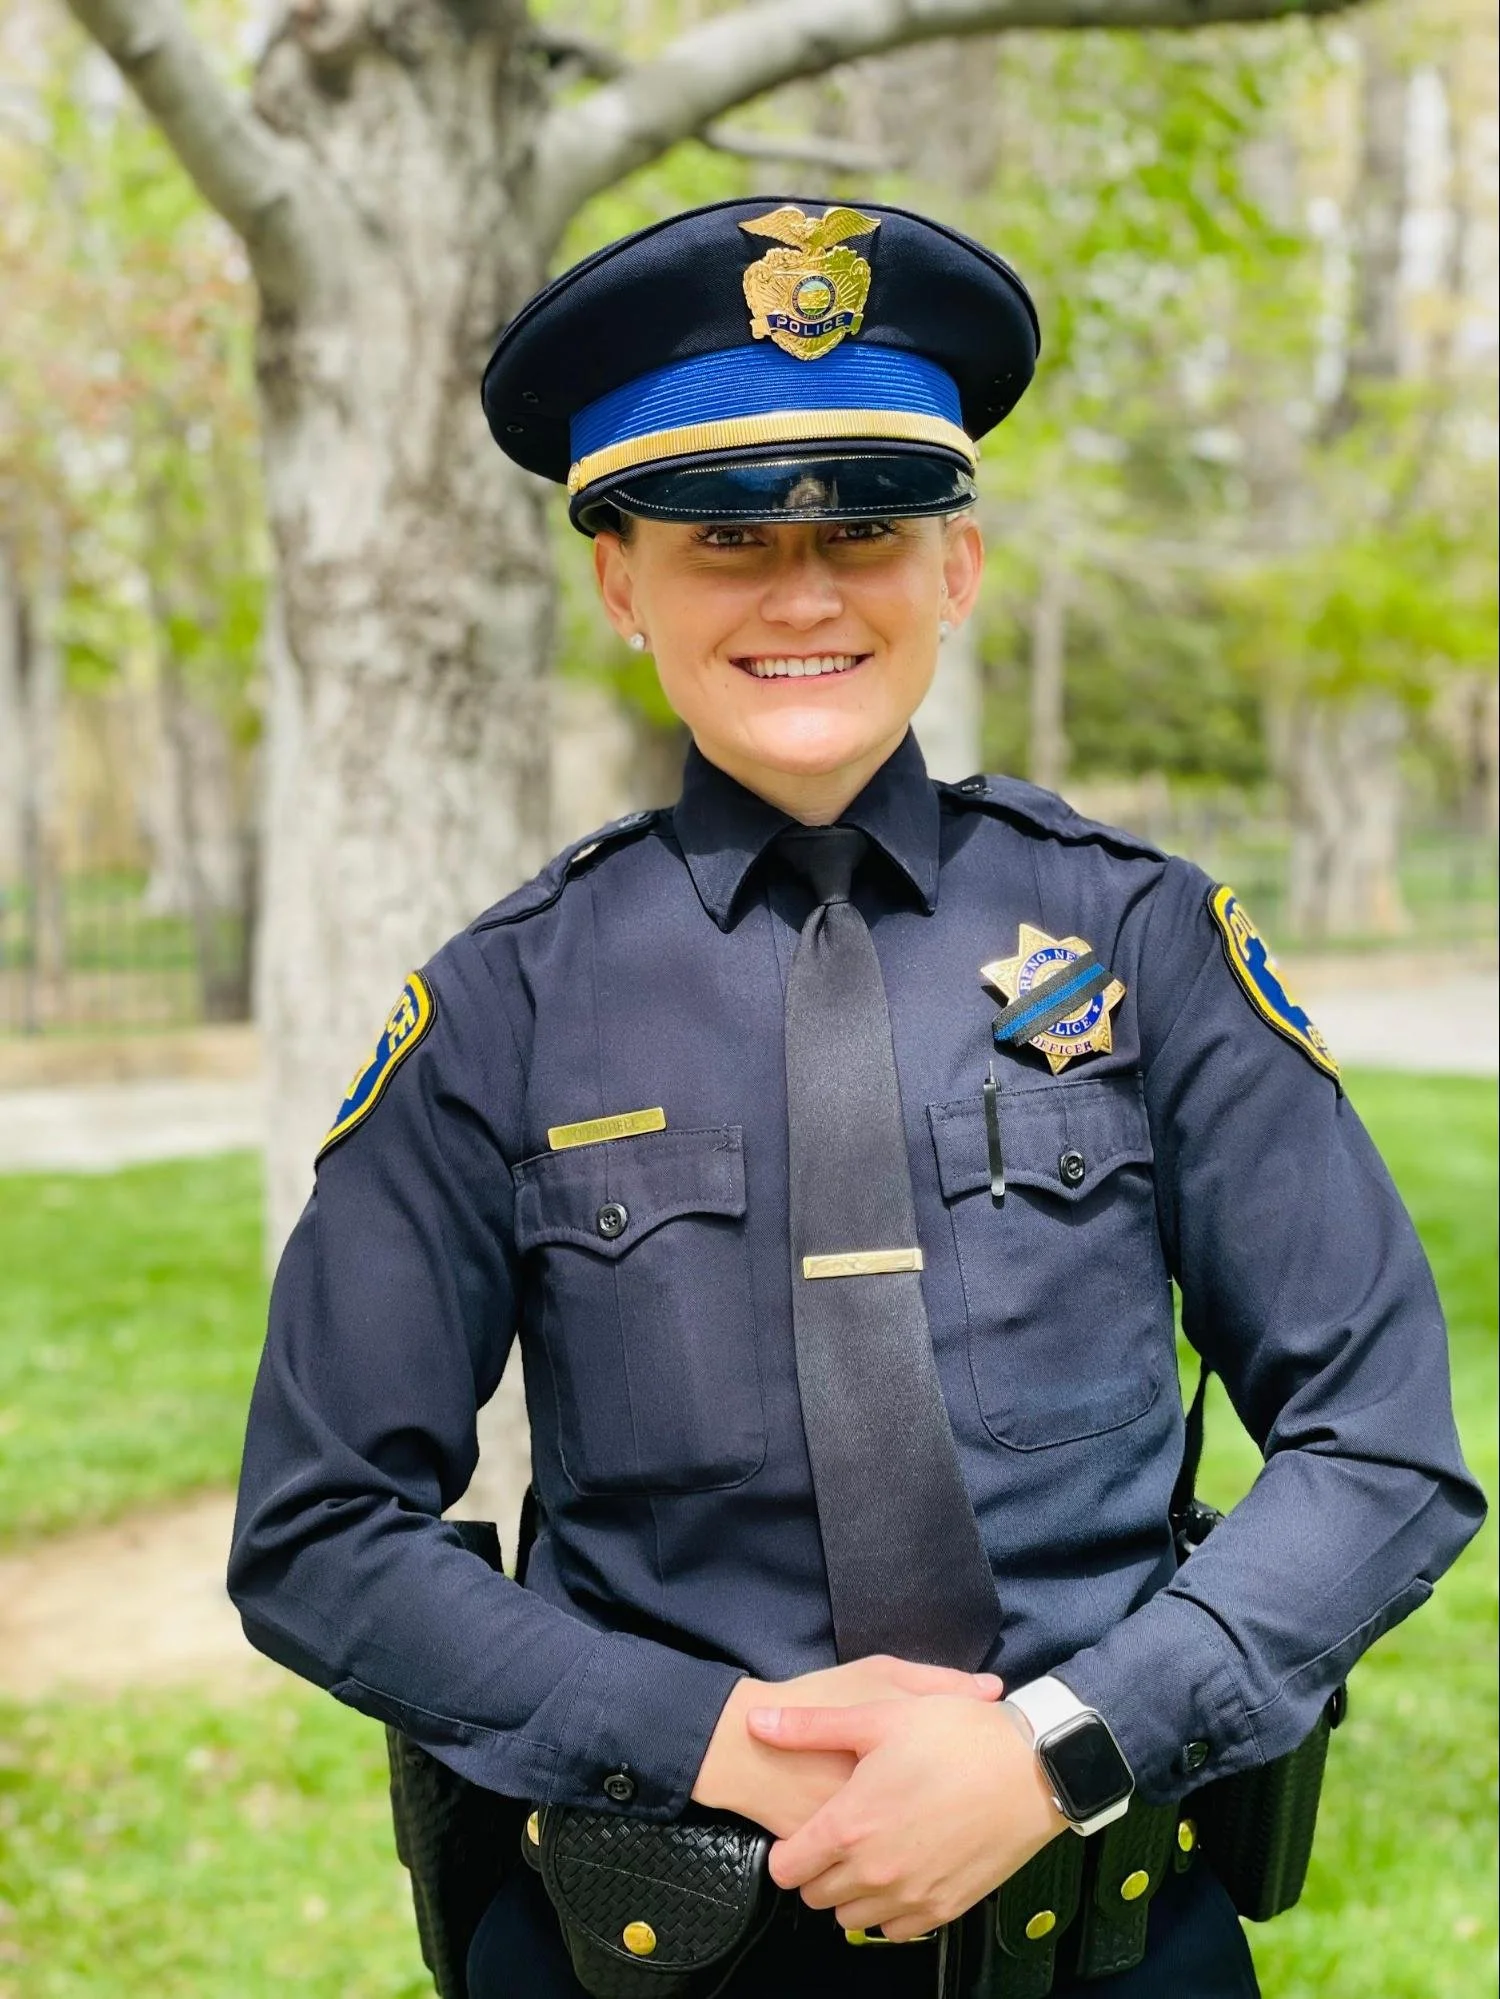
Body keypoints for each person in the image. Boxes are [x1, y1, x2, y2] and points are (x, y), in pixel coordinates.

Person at [227, 197, 1484, 1999]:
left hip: (1107, 1946)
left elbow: (1383, 1447)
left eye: (867, 528)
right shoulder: (506, 1006)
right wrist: (709, 1734)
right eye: (730, 534)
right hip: (649, 1951)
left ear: (955, 570)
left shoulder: (1147, 940)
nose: (805, 592)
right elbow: (319, 1530)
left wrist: (1061, 1742)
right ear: (619, 580)